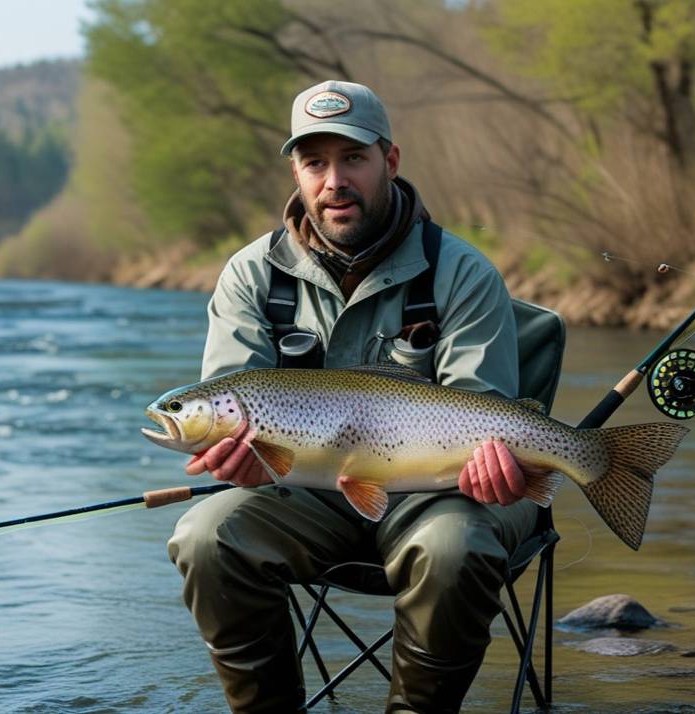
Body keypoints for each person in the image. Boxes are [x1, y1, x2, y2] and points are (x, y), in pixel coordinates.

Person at [166, 79, 543, 713]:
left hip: (441, 496)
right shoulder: (251, 275)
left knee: (454, 548)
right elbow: (233, 398)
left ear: (389, 161)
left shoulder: (462, 271)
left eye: (353, 159)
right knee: (205, 537)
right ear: (296, 171)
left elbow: (480, 411)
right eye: (315, 162)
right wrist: (243, 465)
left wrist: (501, 466)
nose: (334, 181)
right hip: (304, 498)